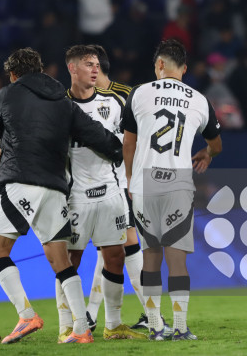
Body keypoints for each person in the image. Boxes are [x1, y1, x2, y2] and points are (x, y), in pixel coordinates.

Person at [0, 47, 123, 344]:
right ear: (41, 69)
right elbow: (96, 134)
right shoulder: (62, 100)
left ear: (14, 74)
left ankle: (27, 315)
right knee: (61, 260)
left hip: (21, 182)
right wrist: (120, 150)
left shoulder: (9, 93)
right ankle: (81, 329)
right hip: (56, 188)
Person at [122, 39, 222, 341]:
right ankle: (180, 326)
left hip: (144, 183)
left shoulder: (139, 93)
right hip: (178, 182)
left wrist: (129, 182)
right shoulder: (199, 99)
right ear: (185, 69)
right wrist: (206, 154)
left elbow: (129, 143)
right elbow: (216, 144)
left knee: (150, 256)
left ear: (159, 65)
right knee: (177, 259)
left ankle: (155, 326)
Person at [56, 45, 144, 341]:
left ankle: (114, 325)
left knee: (115, 257)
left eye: (96, 64)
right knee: (70, 260)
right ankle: (66, 325)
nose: (95, 69)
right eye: (88, 64)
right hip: (76, 196)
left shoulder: (114, 102)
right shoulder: (59, 107)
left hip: (111, 194)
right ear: (72, 68)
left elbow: (126, 145)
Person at [82, 44, 153, 332]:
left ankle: (151, 313)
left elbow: (142, 138)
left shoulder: (126, 96)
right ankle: (90, 314)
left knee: (126, 244)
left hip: (127, 182)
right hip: (104, 184)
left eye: (91, 64)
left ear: (99, 67)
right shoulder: (79, 98)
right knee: (108, 250)